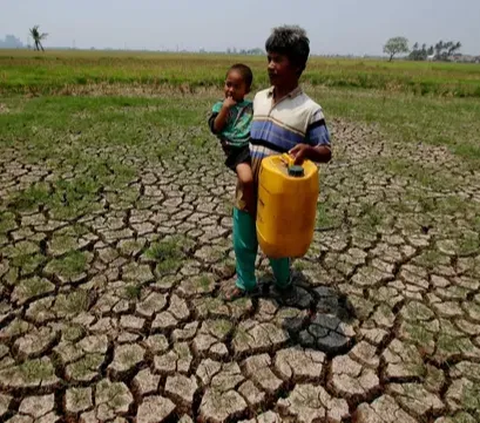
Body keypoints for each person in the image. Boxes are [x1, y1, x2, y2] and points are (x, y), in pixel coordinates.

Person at [226, 25, 332, 301]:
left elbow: (326, 150)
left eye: (279, 60)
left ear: (297, 65)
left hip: (280, 192)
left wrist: (308, 150)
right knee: (243, 238)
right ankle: (245, 283)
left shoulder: (309, 110)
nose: (271, 66)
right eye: (269, 58)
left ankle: (284, 283)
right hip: (249, 182)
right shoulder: (259, 98)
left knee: (276, 244)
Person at [208, 64, 256, 215]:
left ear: (246, 90)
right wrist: (225, 108)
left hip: (252, 147)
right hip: (236, 150)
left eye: (236, 86)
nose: (231, 90)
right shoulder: (219, 106)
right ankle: (250, 208)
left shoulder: (251, 106)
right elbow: (216, 128)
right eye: (228, 84)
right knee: (247, 179)